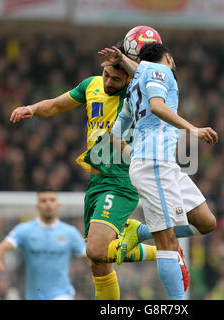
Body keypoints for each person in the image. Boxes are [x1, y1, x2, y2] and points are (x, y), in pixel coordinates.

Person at [9, 54, 167, 300]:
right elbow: (56, 104)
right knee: (97, 262)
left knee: (96, 249)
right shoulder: (90, 85)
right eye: (106, 75)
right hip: (96, 182)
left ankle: (158, 247)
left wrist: (132, 63)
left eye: (117, 78)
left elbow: (155, 79)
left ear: (128, 77)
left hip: (121, 179)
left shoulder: (137, 93)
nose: (109, 82)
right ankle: (165, 251)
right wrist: (32, 108)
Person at [110, 43, 218, 300]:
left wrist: (133, 156)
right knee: (168, 242)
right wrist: (193, 130)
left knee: (206, 222)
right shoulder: (162, 72)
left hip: (163, 165)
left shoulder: (135, 85)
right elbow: (158, 106)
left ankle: (140, 232)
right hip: (154, 164)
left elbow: (114, 136)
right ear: (168, 57)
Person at [0, 189, 88, 300]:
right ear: (37, 206)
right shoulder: (25, 230)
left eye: (52, 200)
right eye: (43, 200)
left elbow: (88, 257)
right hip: (34, 296)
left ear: (58, 205)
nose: (48, 204)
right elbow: (0, 248)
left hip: (62, 294)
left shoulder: (70, 233)